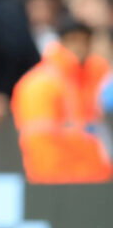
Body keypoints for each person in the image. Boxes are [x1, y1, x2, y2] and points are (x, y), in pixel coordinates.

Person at [11, 18, 113, 184]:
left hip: (95, 178)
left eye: (85, 41)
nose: (80, 47)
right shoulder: (41, 83)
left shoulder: (94, 76)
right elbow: (39, 140)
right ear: (62, 42)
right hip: (60, 180)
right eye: (74, 40)